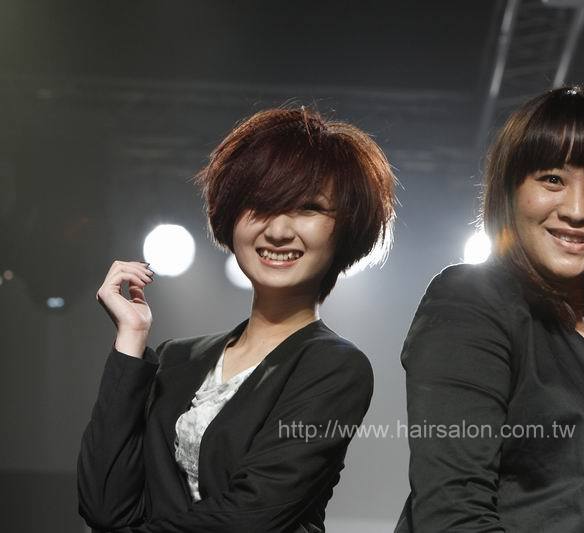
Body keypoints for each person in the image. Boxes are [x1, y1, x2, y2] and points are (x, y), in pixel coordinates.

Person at [78, 106, 396, 532]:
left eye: (308, 207)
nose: (278, 231)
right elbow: (104, 506)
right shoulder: (176, 359)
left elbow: (249, 516)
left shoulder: (335, 368)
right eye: (261, 205)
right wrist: (131, 340)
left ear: (346, 229)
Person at [395, 86, 584, 532]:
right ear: (511, 189)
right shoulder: (472, 299)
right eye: (552, 180)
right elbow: (453, 511)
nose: (577, 210)